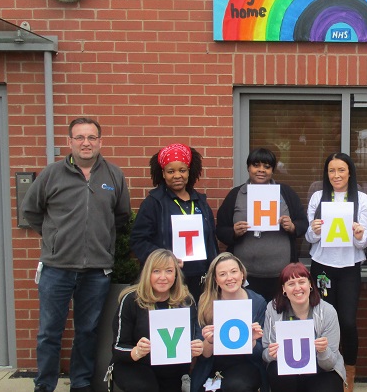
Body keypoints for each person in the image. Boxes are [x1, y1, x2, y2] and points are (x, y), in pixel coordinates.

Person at [21, 117, 131, 392]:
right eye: (80, 137)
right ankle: (44, 384)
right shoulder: (52, 174)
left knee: (87, 331)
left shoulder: (113, 175)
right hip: (56, 267)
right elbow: (31, 211)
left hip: (96, 270)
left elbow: (121, 216)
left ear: (100, 142)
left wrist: (101, 241)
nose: (86, 143)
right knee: (49, 332)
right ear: (70, 142)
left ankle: (81, 383)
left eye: (91, 137)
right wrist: (55, 238)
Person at [305, 152, 367, 389]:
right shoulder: (318, 197)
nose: (336, 175)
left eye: (341, 170)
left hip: (349, 268)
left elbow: (365, 240)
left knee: (347, 322)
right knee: (322, 320)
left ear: (350, 172)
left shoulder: (361, 199)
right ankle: (327, 370)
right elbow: (309, 237)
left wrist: (359, 235)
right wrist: (314, 230)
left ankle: (349, 375)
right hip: (322, 266)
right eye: (332, 170)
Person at [215, 148, 309, 301]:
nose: (261, 170)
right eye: (256, 165)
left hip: (281, 274)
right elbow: (220, 230)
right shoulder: (236, 194)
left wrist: (293, 227)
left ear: (272, 170)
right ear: (248, 167)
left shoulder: (286, 193)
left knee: (278, 313)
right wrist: (234, 232)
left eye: (267, 166)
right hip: (245, 276)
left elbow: (303, 223)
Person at [131, 143, 219, 300]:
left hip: (200, 279)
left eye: (182, 170)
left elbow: (211, 239)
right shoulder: (153, 203)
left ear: (189, 171)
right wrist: (165, 260)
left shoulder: (200, 202)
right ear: (163, 174)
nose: (177, 175)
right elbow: (139, 240)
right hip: (167, 280)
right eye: (171, 171)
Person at [111, 249, 202, 392]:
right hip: (135, 364)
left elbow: (192, 339)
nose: (163, 277)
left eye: (169, 271)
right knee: (145, 388)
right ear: (148, 273)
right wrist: (136, 351)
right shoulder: (131, 300)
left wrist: (196, 346)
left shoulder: (186, 301)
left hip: (170, 368)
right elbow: (118, 347)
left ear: (176, 274)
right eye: (156, 271)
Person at [262, 262, 346, 392]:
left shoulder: (327, 311)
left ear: (310, 284)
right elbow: (265, 354)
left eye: (302, 282)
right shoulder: (273, 309)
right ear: (284, 289)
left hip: (322, 369)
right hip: (288, 368)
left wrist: (323, 351)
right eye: (291, 284)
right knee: (275, 371)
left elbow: (329, 364)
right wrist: (271, 354)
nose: (297, 288)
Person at [191, 252, 267, 392]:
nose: (229, 278)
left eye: (233, 272)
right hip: (212, 365)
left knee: (236, 386)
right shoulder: (206, 302)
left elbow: (260, 354)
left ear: (242, 274)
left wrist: (252, 341)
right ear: (216, 279)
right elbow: (203, 355)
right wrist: (209, 341)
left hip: (246, 364)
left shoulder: (257, 302)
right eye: (222, 274)